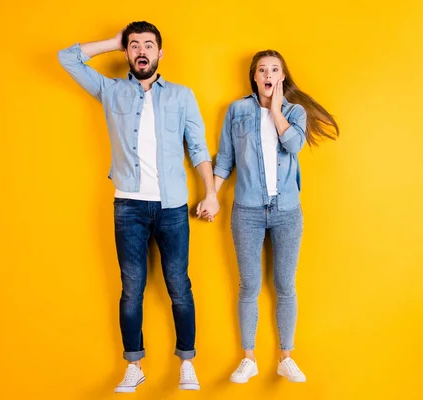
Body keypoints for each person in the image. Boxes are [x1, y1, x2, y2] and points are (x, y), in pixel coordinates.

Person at [58, 21, 219, 393]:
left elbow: (197, 148)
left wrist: (210, 193)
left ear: (161, 53)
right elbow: (67, 59)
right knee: (132, 289)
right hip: (128, 205)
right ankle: (134, 365)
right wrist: (112, 42)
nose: (141, 51)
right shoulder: (111, 91)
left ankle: (187, 363)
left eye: (149, 45)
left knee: (179, 285)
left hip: (172, 206)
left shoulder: (181, 95)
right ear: (127, 53)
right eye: (134, 46)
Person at [210, 50, 339, 383]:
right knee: (249, 285)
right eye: (262, 70)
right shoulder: (237, 111)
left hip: (287, 212)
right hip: (248, 211)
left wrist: (277, 109)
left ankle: (286, 357)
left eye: (275, 70)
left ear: (282, 77)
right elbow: (225, 159)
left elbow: (294, 145)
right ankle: (248, 358)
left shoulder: (294, 112)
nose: (268, 74)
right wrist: (212, 195)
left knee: (285, 285)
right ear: (254, 76)